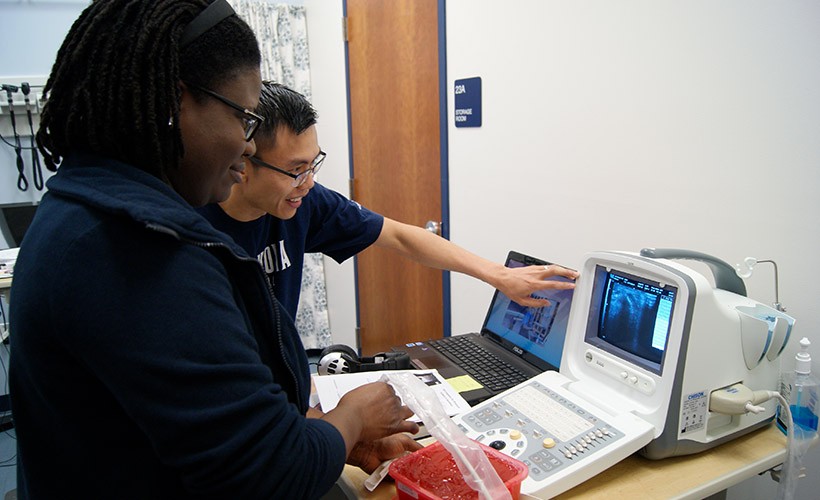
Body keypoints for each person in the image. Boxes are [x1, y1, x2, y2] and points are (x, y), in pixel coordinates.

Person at [9, 1, 419, 498]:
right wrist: (353, 418)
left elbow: (193, 422)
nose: (248, 147)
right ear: (175, 103)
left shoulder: (81, 207)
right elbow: (271, 474)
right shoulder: (142, 251)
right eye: (245, 119)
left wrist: (326, 438)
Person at [199, 81, 579, 328]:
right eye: (296, 170)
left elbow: (399, 236)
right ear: (243, 162)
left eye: (313, 164)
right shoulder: (193, 227)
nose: (309, 182)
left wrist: (496, 274)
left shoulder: (305, 203)